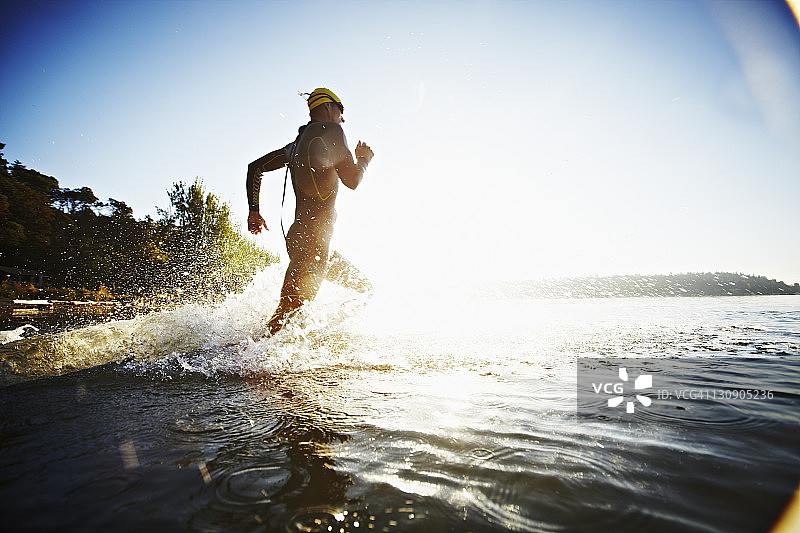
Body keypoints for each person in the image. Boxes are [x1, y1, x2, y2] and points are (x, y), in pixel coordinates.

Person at [246, 88, 375, 335]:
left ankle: (316, 345)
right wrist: (364, 160)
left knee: (363, 288)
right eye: (341, 111)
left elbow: (255, 168)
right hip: (314, 243)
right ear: (328, 107)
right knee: (286, 316)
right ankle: (243, 362)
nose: (343, 119)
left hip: (301, 239)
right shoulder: (331, 131)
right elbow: (353, 181)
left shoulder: (294, 146)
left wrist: (254, 211)